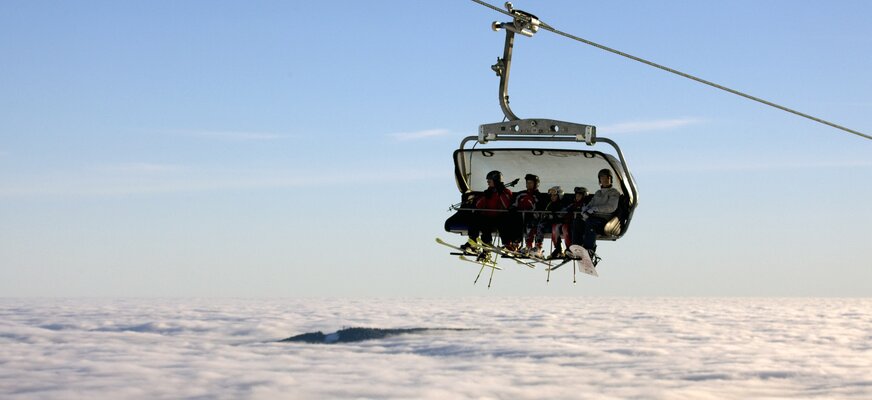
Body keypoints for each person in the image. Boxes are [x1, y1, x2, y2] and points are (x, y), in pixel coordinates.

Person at [460, 170, 513, 254]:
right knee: (477, 219)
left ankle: (508, 245)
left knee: (503, 222)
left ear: (496, 181)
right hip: (488, 218)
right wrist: (485, 197)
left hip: (500, 218)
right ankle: (474, 242)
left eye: (489, 181)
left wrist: (500, 193)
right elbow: (478, 205)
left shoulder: (506, 192)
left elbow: (506, 205)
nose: (487, 182)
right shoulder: (488, 192)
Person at [572, 169, 620, 259]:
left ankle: (589, 249)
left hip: (605, 220)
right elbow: (591, 203)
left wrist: (596, 209)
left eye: (607, 178)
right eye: (602, 177)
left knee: (591, 223)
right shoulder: (598, 192)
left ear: (610, 179)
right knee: (577, 222)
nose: (604, 180)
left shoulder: (613, 193)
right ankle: (576, 248)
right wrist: (585, 209)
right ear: (599, 180)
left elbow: (611, 207)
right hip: (593, 218)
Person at [510, 173, 547, 257]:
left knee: (530, 226)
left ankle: (535, 247)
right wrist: (514, 209)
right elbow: (514, 205)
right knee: (515, 223)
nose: (528, 185)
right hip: (521, 217)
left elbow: (541, 208)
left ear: (535, 184)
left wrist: (534, 212)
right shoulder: (521, 194)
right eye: (527, 183)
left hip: (534, 218)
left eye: (530, 183)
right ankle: (516, 245)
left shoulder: (538, 196)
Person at [537, 186, 568, 259]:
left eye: (554, 195)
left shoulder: (563, 204)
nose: (552, 197)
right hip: (551, 222)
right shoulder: (550, 204)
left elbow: (563, 215)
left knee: (555, 227)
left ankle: (559, 249)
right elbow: (546, 213)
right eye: (551, 195)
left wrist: (556, 214)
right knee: (540, 225)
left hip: (560, 223)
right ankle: (538, 247)